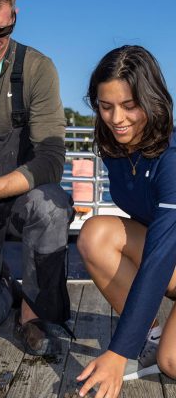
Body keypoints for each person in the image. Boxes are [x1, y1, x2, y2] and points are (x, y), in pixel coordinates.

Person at [77, 45, 176, 398]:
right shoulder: (116, 148)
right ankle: (147, 339)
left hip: (169, 254)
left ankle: (144, 346)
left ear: (151, 101)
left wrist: (118, 352)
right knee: (95, 234)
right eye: (106, 107)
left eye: (129, 105)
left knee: (173, 362)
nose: (117, 118)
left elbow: (161, 255)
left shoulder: (172, 158)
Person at [0, 0, 74, 355]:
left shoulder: (37, 68)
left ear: (14, 15)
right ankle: (6, 288)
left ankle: (33, 316)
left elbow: (50, 160)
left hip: (17, 198)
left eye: (2, 30)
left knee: (52, 207)